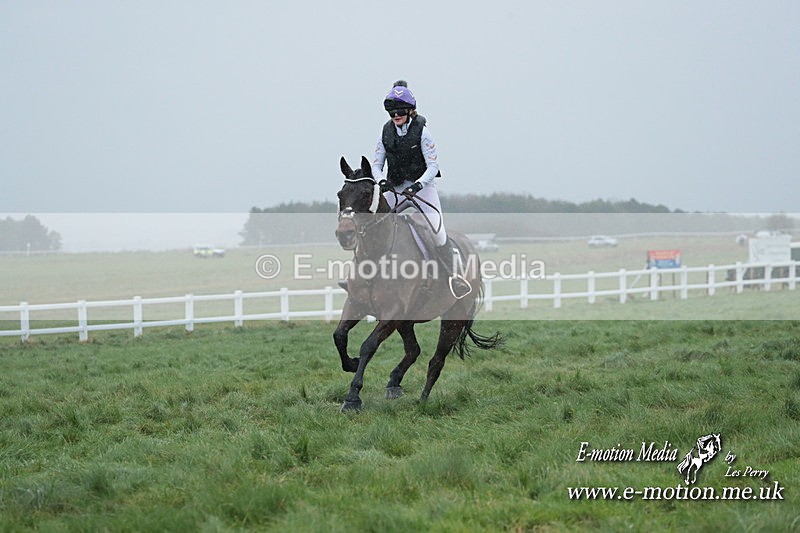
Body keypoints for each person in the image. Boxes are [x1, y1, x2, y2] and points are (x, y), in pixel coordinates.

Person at [372, 80, 471, 298]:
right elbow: (376, 165)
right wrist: (381, 181)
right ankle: (364, 276)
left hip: (422, 188)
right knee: (373, 225)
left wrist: (418, 185)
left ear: (410, 110)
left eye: (399, 111)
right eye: (391, 112)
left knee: (437, 231)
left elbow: (433, 166)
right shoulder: (385, 133)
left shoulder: (423, 132)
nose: (395, 116)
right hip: (396, 189)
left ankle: (455, 276)